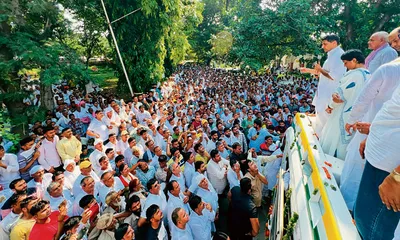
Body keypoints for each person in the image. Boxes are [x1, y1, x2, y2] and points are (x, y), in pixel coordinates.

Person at [341, 47, 400, 211]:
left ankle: (350, 207)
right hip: (378, 133)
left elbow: (363, 99)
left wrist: (352, 120)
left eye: (396, 40)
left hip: (381, 139)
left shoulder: (388, 69)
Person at [354, 83, 400, 240]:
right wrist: (375, 131)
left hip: (390, 172)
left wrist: (397, 176)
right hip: (385, 165)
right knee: (364, 221)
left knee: (372, 229)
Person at [320, 49, 371, 159]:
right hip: (361, 116)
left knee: (336, 140)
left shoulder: (354, 75)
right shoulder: (370, 75)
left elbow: (339, 96)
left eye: (345, 62)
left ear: (354, 60)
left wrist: (330, 106)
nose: (345, 65)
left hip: (343, 112)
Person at [301, 34, 346, 135]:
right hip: (324, 93)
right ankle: (319, 135)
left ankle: (321, 141)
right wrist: (309, 70)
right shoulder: (332, 55)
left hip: (329, 94)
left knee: (325, 121)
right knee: (320, 119)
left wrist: (320, 69)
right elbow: (324, 72)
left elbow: (333, 76)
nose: (323, 47)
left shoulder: (339, 56)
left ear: (334, 43)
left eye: (325, 44)